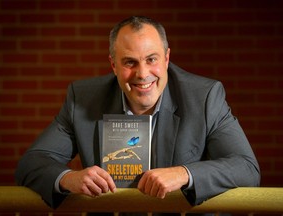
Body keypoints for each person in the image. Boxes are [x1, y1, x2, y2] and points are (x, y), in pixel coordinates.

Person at [15, 16, 260, 213]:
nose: (142, 74)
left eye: (151, 59)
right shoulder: (83, 99)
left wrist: (185, 173)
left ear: (166, 59)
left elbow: (246, 168)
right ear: (113, 65)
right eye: (129, 62)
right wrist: (68, 178)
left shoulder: (204, 97)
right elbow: (31, 163)